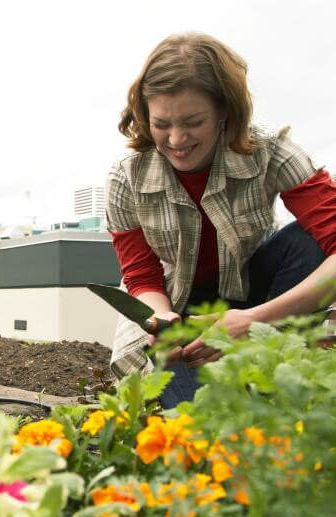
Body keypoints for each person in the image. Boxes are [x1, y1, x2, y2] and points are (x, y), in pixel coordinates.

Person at [105, 32, 336, 408]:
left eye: (193, 122)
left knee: (306, 241)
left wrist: (254, 322)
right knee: (203, 425)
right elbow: (142, 277)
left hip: (255, 297)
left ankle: (270, 357)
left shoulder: (271, 152)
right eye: (161, 123)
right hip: (180, 312)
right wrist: (162, 320)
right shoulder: (125, 179)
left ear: (225, 112)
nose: (177, 139)